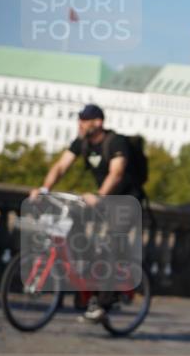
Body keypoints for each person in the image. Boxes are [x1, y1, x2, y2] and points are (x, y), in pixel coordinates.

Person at [29, 104, 148, 321]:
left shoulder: (116, 142)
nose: (80, 124)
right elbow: (61, 166)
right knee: (72, 221)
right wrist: (44, 189)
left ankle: (103, 302)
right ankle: (89, 270)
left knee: (113, 242)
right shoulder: (82, 143)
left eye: (84, 121)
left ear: (98, 123)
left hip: (126, 201)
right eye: (80, 120)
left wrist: (100, 195)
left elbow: (117, 172)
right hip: (103, 200)